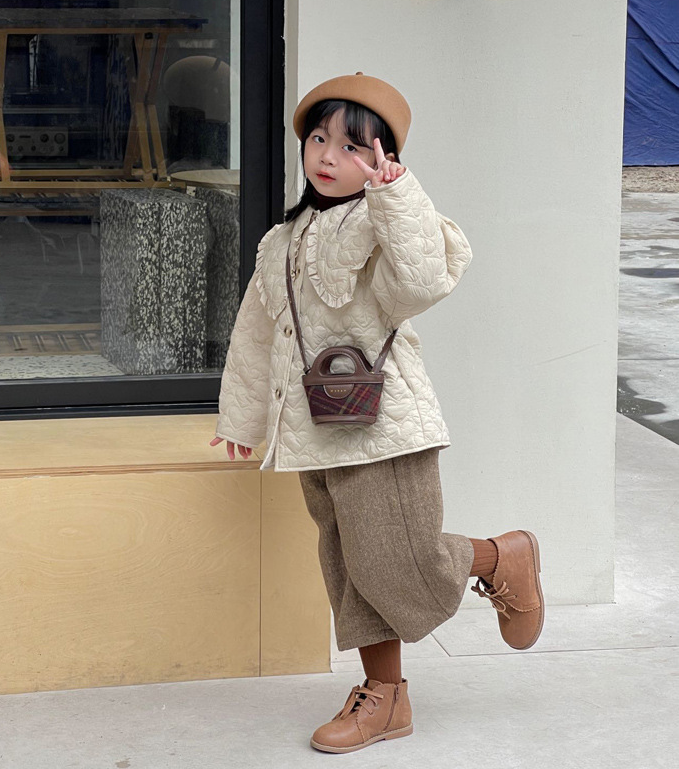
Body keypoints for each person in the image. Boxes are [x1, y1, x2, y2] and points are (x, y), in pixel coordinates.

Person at [209, 72, 544, 755]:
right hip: (312, 430)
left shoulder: (384, 221)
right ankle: (385, 697)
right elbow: (257, 332)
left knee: (400, 561)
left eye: (352, 147)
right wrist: (243, 419)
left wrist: (395, 195)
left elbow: (422, 282)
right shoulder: (283, 238)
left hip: (382, 428)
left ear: (383, 158)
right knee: (353, 570)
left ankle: (501, 557)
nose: (328, 157)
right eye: (318, 139)